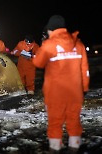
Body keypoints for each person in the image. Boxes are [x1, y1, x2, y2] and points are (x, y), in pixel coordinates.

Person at [32, 15, 90, 153]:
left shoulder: (49, 44)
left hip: (55, 94)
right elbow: (85, 70)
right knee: (74, 123)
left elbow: (37, 63)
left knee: (55, 124)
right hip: (75, 93)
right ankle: (74, 148)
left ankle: (55, 149)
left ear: (51, 30)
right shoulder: (78, 44)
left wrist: (43, 45)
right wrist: (84, 89)